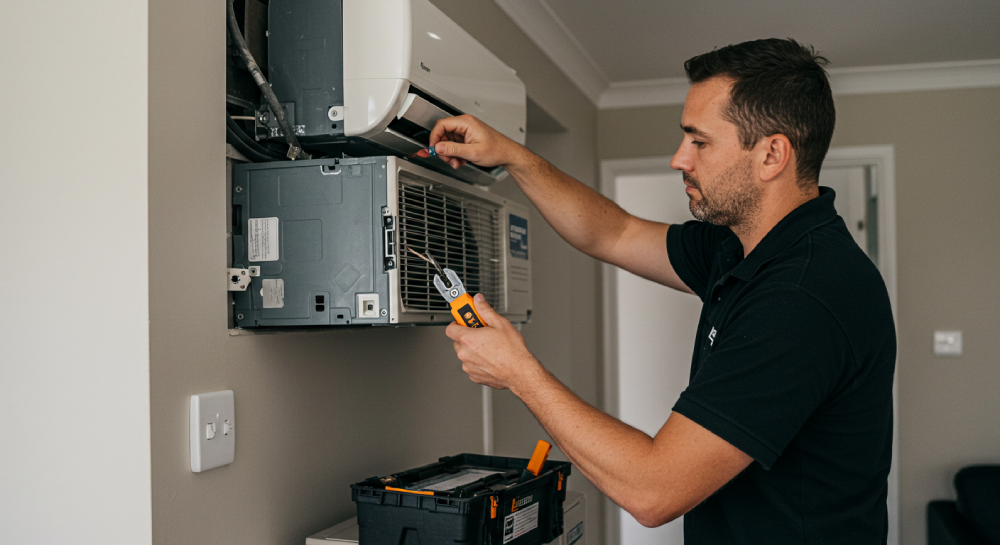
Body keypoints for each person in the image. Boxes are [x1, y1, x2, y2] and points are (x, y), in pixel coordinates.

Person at [419, 38, 896, 544]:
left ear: (772, 154)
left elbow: (653, 490)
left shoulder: (803, 296)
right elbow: (613, 232)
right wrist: (513, 156)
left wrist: (519, 372)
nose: (678, 159)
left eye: (700, 141)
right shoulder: (740, 247)